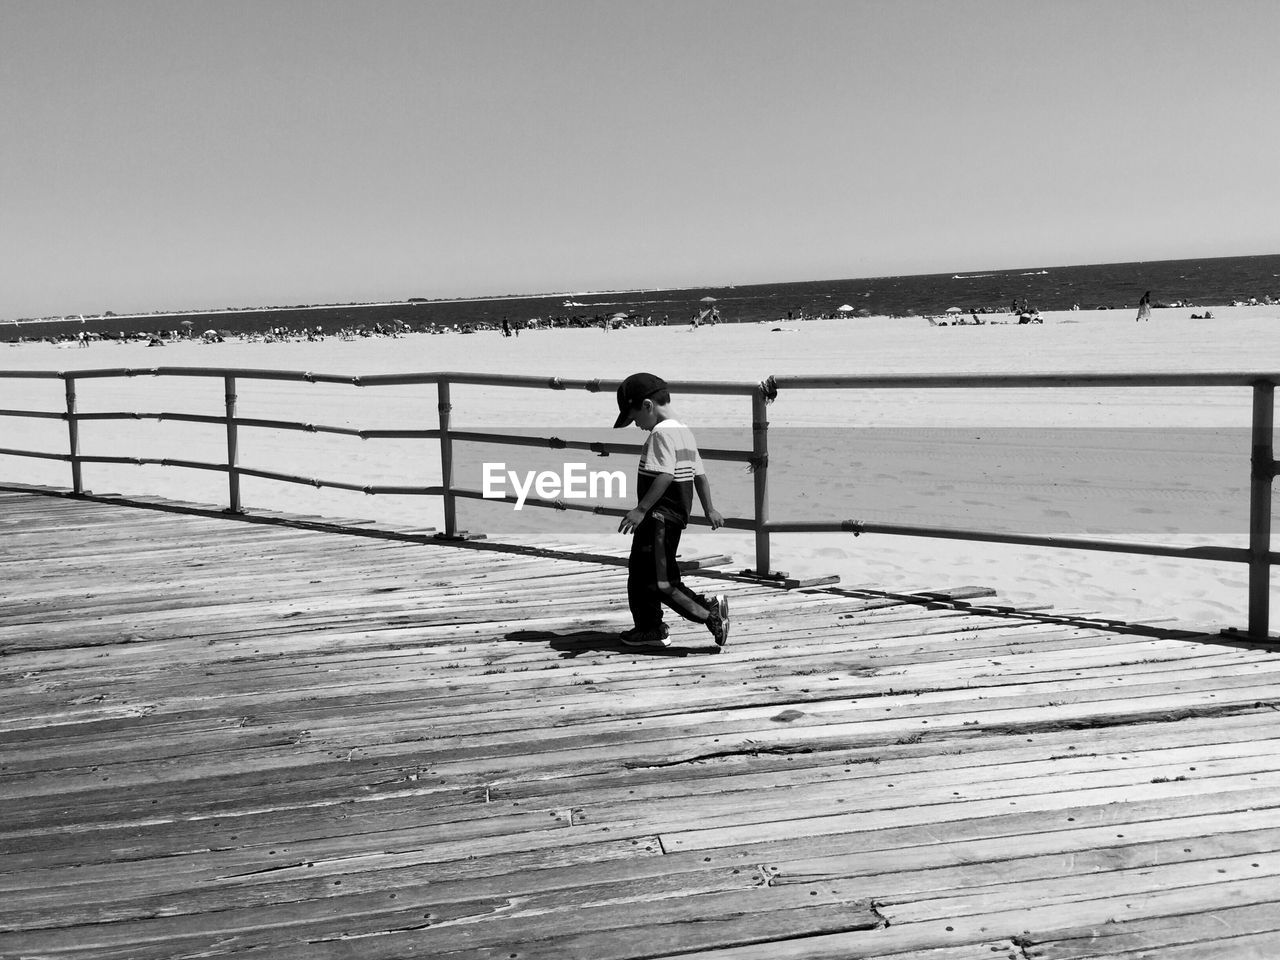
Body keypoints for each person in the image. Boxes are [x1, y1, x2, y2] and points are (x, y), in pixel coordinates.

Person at [612, 372, 730, 650]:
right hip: (665, 518)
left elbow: (664, 475)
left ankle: (709, 612)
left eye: (635, 418)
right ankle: (648, 628)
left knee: (662, 582)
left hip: (658, 519)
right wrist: (709, 508)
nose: (637, 425)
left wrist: (640, 510)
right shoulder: (683, 431)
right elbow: (699, 475)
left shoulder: (661, 434)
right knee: (640, 575)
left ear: (647, 406)